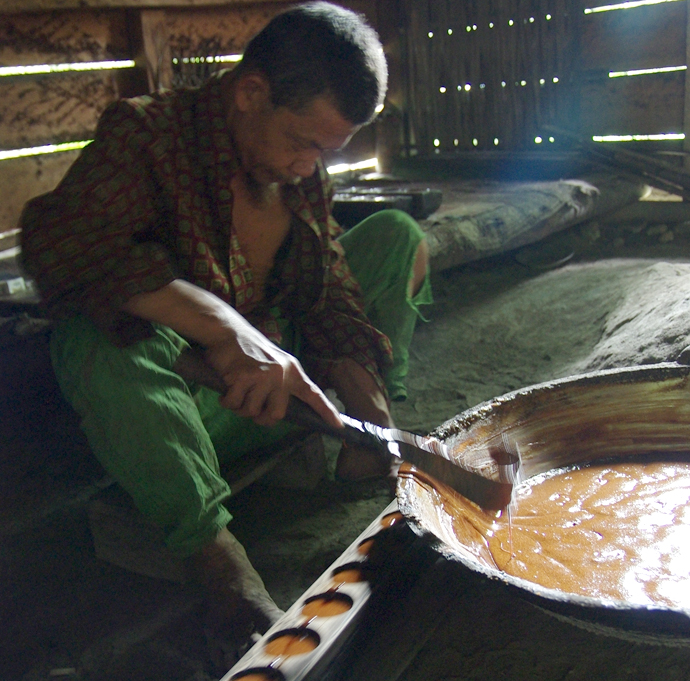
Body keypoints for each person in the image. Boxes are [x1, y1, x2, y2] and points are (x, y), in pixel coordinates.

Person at [20, 0, 431, 651]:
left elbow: (329, 297)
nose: (308, 166)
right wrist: (223, 331)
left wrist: (369, 416)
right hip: (189, 408)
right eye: (300, 142)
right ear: (251, 92)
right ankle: (218, 564)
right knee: (89, 339)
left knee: (395, 238)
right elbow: (58, 244)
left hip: (284, 395)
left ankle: (363, 444)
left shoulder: (301, 172)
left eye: (326, 151)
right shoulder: (148, 135)